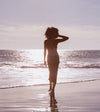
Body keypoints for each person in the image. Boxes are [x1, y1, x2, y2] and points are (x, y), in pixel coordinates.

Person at [44, 27, 69, 93]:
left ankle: (52, 88)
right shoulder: (53, 41)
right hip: (53, 58)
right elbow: (44, 51)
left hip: (51, 58)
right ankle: (51, 88)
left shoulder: (52, 41)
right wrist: (44, 60)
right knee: (53, 73)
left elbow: (67, 38)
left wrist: (44, 60)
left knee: (52, 73)